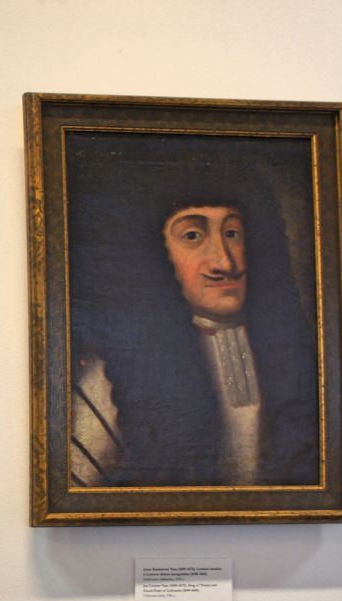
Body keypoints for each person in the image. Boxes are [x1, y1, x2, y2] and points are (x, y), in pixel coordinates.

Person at [68, 157, 319, 488]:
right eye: (192, 235)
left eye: (232, 233)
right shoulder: (111, 375)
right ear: (155, 254)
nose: (224, 262)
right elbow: (75, 491)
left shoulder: (293, 358)